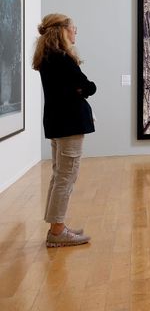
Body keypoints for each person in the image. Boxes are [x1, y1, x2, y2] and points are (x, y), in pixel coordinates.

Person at [32, 14, 95, 247]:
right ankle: (57, 232)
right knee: (66, 177)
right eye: (73, 28)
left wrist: (80, 89)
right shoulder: (62, 59)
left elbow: (80, 87)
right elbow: (89, 86)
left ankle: (56, 226)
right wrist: (82, 89)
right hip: (70, 124)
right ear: (62, 31)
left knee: (59, 175)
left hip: (57, 123)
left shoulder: (46, 58)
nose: (75, 32)